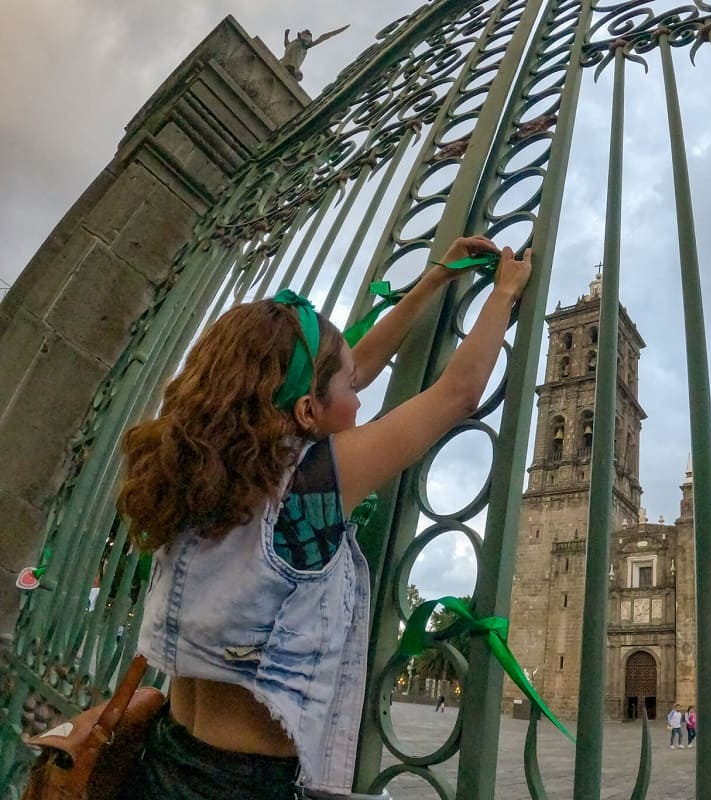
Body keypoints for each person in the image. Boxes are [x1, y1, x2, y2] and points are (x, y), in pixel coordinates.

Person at [116, 237, 531, 800]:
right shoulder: (309, 483)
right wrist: (505, 290)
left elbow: (353, 368)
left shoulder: (197, 468)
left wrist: (435, 278)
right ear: (307, 411)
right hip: (242, 784)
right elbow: (458, 392)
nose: (359, 398)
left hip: (165, 753)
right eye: (347, 387)